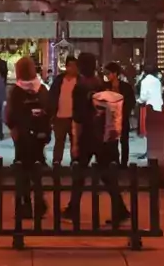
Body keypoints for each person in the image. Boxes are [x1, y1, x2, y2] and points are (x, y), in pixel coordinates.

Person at [63, 60, 129, 226]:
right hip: (103, 136)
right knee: (107, 175)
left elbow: (77, 118)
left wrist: (75, 142)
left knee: (79, 174)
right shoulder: (101, 85)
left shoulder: (79, 89)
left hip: (87, 135)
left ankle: (73, 209)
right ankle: (120, 209)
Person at [5, 55, 52, 220]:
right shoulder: (42, 89)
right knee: (37, 172)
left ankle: (24, 205)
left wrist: (14, 128)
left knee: (22, 172)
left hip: (22, 137)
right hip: (39, 137)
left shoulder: (16, 91)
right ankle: (39, 204)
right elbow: (50, 110)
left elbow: (10, 116)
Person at [47, 57, 82, 167]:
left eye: (75, 66)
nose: (73, 68)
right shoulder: (59, 80)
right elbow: (52, 96)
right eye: (70, 66)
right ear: (66, 67)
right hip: (60, 116)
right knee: (59, 141)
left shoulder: (80, 80)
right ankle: (57, 162)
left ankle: (75, 162)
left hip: (74, 117)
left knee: (75, 142)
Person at [101, 62, 134, 167]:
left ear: (115, 73)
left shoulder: (126, 87)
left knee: (124, 141)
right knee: (112, 141)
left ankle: (124, 163)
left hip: (122, 118)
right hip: (110, 120)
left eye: (108, 73)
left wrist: (124, 112)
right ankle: (114, 161)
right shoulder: (105, 86)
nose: (106, 75)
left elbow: (131, 102)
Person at [137, 64, 164, 136]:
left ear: (144, 72)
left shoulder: (144, 81)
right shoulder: (157, 81)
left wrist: (139, 101)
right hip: (159, 105)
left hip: (149, 106)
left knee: (150, 127)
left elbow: (143, 96)